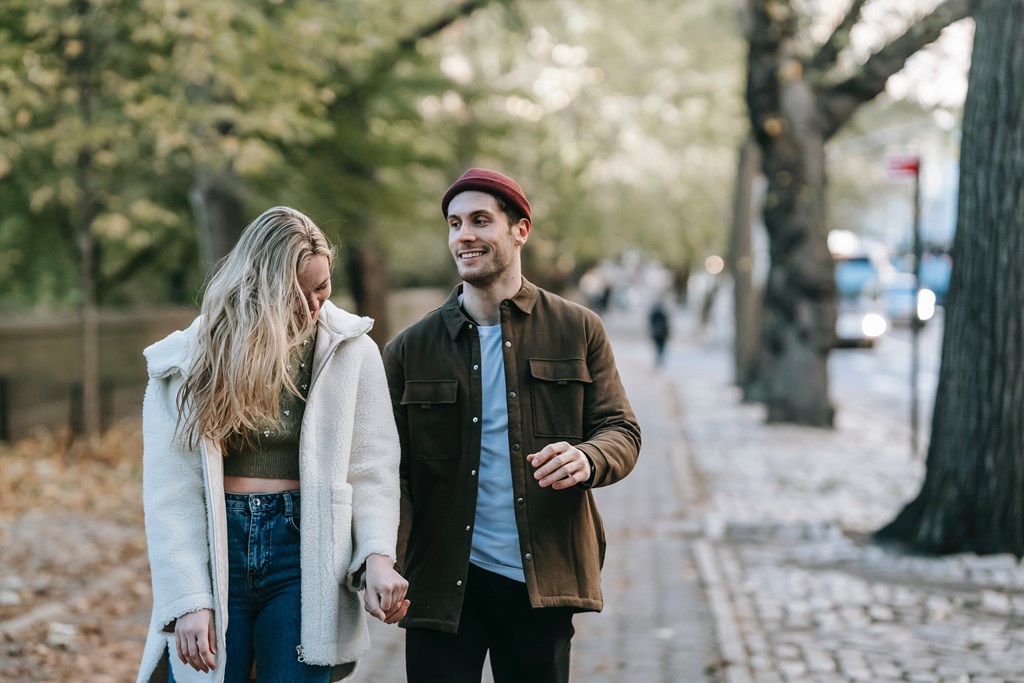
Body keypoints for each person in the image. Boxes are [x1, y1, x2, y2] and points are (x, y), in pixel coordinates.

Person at [382, 168, 641, 683]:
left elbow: (621, 430)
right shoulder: (410, 349)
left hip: (539, 578)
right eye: (455, 224)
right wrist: (384, 557)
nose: (464, 236)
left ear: (520, 229)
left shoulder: (577, 328)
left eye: (480, 220)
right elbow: (389, 472)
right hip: (441, 582)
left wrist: (587, 457)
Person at [136, 206, 409, 683]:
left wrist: (377, 557)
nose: (311, 307)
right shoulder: (187, 360)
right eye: (293, 294)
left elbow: (373, 468)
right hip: (217, 549)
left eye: (321, 288)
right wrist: (189, 601)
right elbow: (170, 493)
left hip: (307, 550)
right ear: (256, 287)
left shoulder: (352, 350)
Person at [648, 299, 671, 366]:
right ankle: (659, 358)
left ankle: (658, 358)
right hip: (661, 334)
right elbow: (666, 325)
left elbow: (651, 323)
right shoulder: (662, 314)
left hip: (657, 334)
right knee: (660, 346)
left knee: (659, 346)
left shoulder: (654, 314)